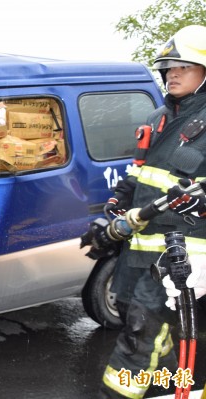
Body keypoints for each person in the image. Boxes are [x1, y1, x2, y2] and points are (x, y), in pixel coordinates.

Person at [99, 25, 206, 398]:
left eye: (184, 66)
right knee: (170, 344)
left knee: (139, 337)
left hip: (187, 260)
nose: (172, 73)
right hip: (141, 253)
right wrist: (115, 204)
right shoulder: (159, 118)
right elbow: (138, 175)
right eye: (168, 67)